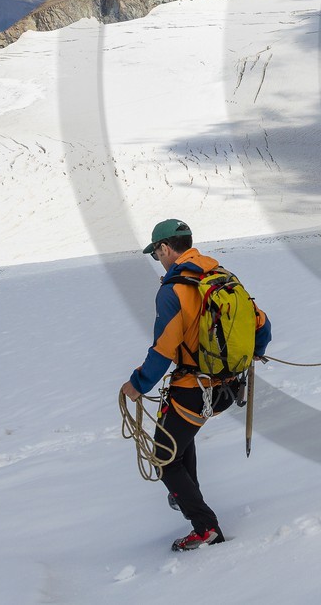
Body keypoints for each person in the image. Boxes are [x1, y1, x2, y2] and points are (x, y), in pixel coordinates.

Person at [120, 218, 271, 551]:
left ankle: (206, 528)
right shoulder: (222, 277)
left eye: (157, 252)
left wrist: (137, 384)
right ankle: (185, 493)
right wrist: (254, 353)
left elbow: (163, 350)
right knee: (177, 441)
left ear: (166, 248)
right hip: (227, 387)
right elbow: (262, 323)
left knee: (163, 457)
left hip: (194, 391)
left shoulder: (173, 290)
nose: (157, 258)